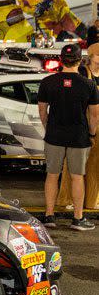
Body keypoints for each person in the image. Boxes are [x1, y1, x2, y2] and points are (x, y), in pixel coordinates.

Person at [39, 43, 99, 230]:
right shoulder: (89, 85)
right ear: (80, 60)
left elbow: (42, 111)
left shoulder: (48, 82)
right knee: (77, 177)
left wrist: (48, 128)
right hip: (79, 137)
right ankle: (78, 219)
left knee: (52, 175)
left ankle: (49, 216)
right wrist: (91, 133)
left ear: (60, 60)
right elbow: (95, 115)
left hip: (54, 135)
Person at [57, 43, 99, 209]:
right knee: (74, 164)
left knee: (95, 164)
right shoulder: (82, 72)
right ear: (91, 56)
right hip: (81, 123)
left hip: (97, 123)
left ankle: (92, 200)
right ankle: (68, 199)